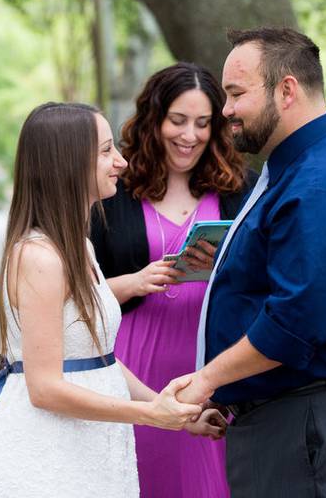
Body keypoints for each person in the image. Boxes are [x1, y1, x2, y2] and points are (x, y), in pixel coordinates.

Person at [179, 28, 326, 497]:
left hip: (305, 421)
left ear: (286, 90)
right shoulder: (301, 166)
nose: (225, 110)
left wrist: (208, 380)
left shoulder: (319, 181)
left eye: (236, 93)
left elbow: (297, 321)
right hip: (294, 415)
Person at [0, 102, 225, 498]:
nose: (122, 162)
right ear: (69, 163)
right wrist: (150, 416)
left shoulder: (79, 247)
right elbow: (44, 389)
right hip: (47, 461)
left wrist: (172, 411)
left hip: (92, 450)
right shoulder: (38, 256)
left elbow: (100, 358)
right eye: (107, 151)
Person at [90, 63, 252, 498]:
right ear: (154, 119)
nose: (190, 135)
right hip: (133, 362)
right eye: (177, 121)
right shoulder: (113, 193)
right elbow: (76, 297)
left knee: (209, 483)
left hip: (211, 367)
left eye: (203, 123)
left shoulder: (241, 190)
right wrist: (136, 280)